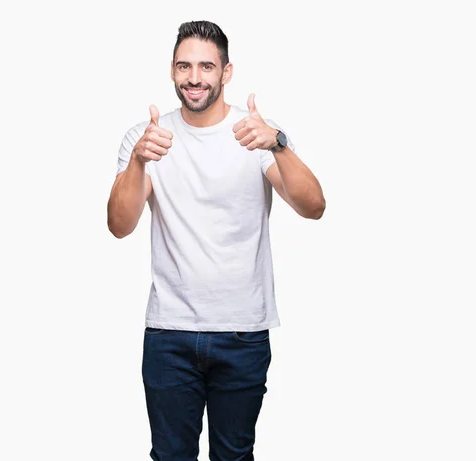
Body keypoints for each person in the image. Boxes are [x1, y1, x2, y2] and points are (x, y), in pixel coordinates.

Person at [106, 20, 325, 461]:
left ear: (226, 73)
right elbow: (119, 224)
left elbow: (313, 206)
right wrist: (137, 162)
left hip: (243, 332)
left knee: (234, 456)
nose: (194, 77)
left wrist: (280, 145)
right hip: (170, 334)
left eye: (206, 66)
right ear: (171, 71)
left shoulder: (257, 134)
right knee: (171, 457)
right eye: (184, 66)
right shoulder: (147, 139)